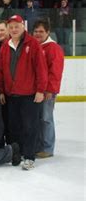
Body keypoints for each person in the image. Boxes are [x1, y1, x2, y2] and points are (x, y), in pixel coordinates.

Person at [0, 15, 48, 170]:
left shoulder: (32, 44)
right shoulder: (6, 45)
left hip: (29, 95)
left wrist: (40, 90)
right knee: (14, 127)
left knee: (30, 127)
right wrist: (1, 91)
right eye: (11, 27)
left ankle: (29, 156)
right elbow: (0, 70)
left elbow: (41, 69)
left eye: (16, 26)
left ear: (22, 26)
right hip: (11, 95)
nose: (13, 29)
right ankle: (16, 154)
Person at [32, 19, 64, 158]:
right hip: (35, 91)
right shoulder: (34, 46)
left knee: (46, 118)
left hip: (47, 91)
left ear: (48, 32)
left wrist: (50, 90)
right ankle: (39, 146)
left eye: (41, 31)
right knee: (38, 119)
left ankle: (48, 148)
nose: (38, 34)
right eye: (36, 31)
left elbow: (55, 72)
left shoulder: (53, 48)